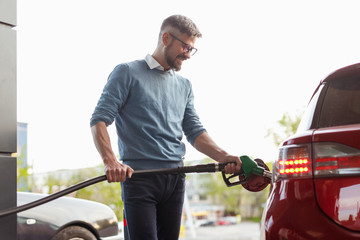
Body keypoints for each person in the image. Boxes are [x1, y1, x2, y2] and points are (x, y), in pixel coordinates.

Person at [90, 14, 242, 240]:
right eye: (185, 46)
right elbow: (99, 119)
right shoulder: (127, 72)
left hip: (176, 178)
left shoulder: (184, 85)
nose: (188, 54)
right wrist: (111, 161)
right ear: (166, 38)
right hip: (140, 178)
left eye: (192, 49)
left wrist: (223, 155)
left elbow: (194, 131)